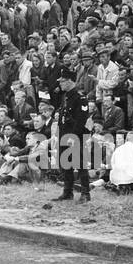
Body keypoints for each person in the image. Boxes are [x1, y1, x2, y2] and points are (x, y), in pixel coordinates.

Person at [52, 69, 91, 201]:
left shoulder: (79, 96)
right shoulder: (66, 95)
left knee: (79, 164)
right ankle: (68, 192)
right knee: (65, 164)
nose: (60, 84)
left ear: (69, 81)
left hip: (75, 135)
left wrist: (73, 136)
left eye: (62, 81)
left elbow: (81, 119)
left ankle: (86, 193)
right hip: (64, 133)